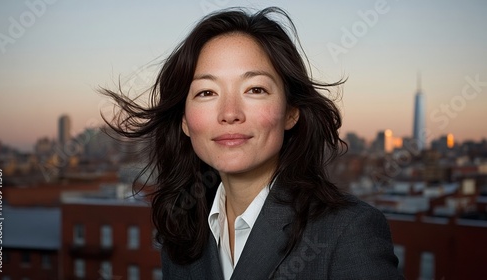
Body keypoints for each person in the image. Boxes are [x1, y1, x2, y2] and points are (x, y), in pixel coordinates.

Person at [101, 6, 403, 280]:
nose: (230, 113)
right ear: (184, 120)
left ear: (291, 112)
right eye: (207, 92)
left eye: (255, 89)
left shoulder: (349, 232)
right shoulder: (181, 235)